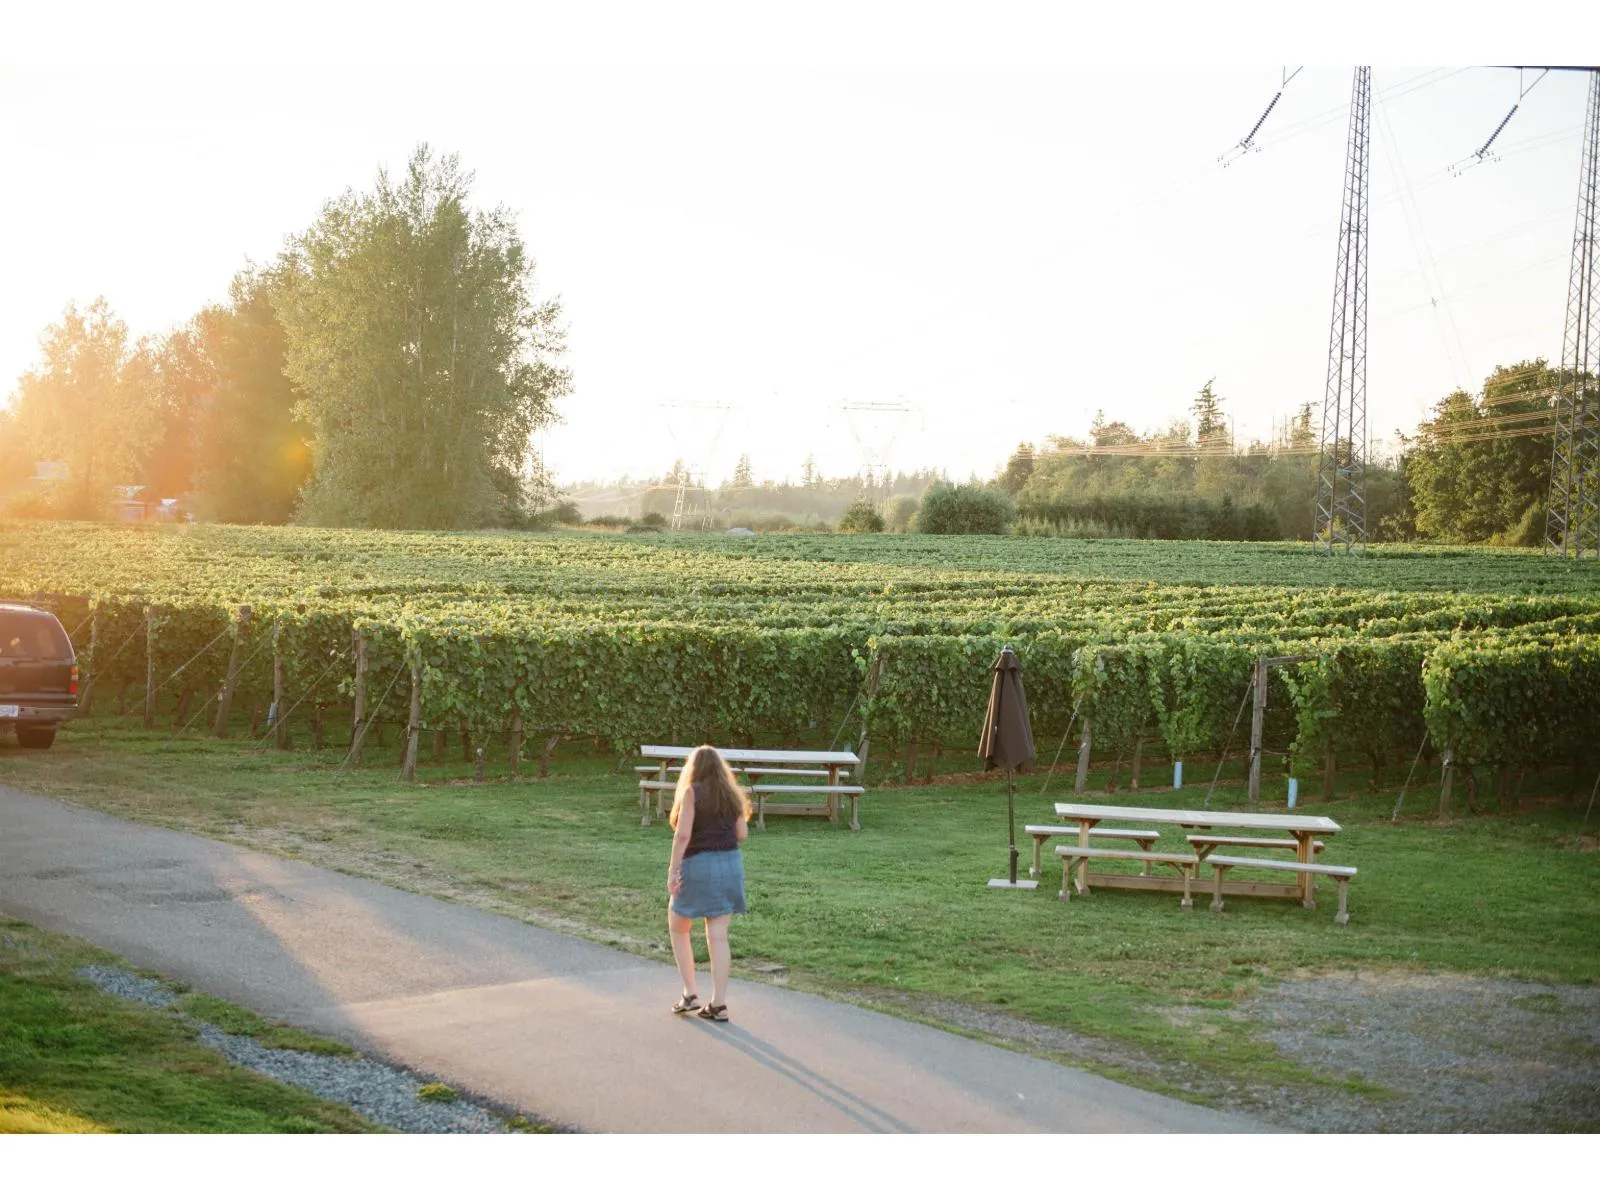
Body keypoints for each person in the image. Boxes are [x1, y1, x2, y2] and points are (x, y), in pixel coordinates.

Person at [666, 745, 750, 1022]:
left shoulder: (692, 793)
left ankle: (690, 993)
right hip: (731, 864)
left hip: (699, 863)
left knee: (678, 924)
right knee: (718, 934)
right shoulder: (732, 795)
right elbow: (742, 834)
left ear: (694, 769)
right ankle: (719, 1003)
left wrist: (673, 870)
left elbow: (682, 836)